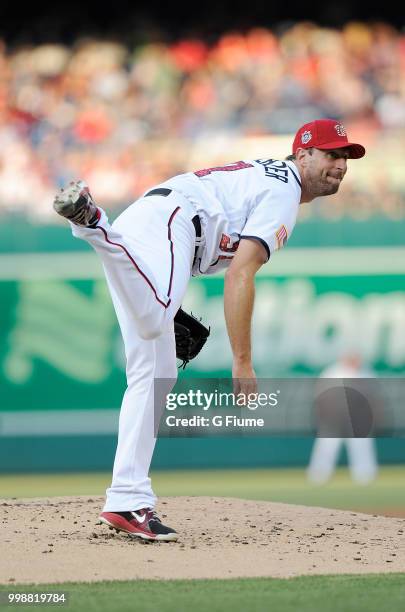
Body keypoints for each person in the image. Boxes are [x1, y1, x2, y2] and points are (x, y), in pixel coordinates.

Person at [53, 118, 365, 541]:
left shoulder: (274, 182)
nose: (341, 164)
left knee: (156, 371)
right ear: (303, 154)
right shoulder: (284, 191)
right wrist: (242, 361)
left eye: (345, 156)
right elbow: (240, 275)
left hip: (156, 225)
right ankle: (96, 227)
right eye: (331, 153)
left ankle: (127, 499)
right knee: (154, 322)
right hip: (173, 220)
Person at [307, 353, 379, 485]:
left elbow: (373, 398)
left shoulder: (366, 373)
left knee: (361, 447)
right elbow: (321, 395)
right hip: (335, 418)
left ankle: (365, 477)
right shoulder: (333, 372)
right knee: (327, 448)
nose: (355, 361)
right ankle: (318, 476)